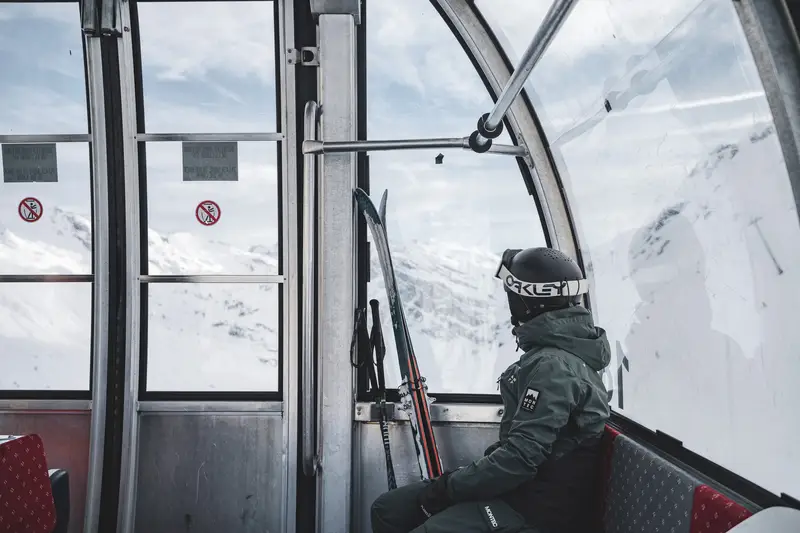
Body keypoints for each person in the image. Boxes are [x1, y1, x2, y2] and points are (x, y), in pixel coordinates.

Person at [370, 247, 611, 533]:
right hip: (517, 491)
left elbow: (519, 460)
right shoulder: (555, 356)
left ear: (526, 303)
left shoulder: (553, 367)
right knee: (389, 510)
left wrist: (448, 488)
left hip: (534, 510)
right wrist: (458, 482)